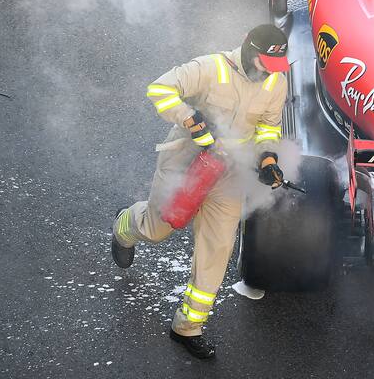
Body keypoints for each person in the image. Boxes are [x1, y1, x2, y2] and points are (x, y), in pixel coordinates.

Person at [111, 24, 290, 360]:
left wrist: (267, 158)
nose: (269, 73)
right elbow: (160, 89)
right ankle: (126, 225)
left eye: (275, 67)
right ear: (250, 51)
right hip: (185, 162)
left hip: (229, 173)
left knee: (217, 248)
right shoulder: (211, 68)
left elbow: (268, 125)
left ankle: (187, 327)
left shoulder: (275, 82)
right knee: (158, 228)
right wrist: (191, 118)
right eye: (265, 63)